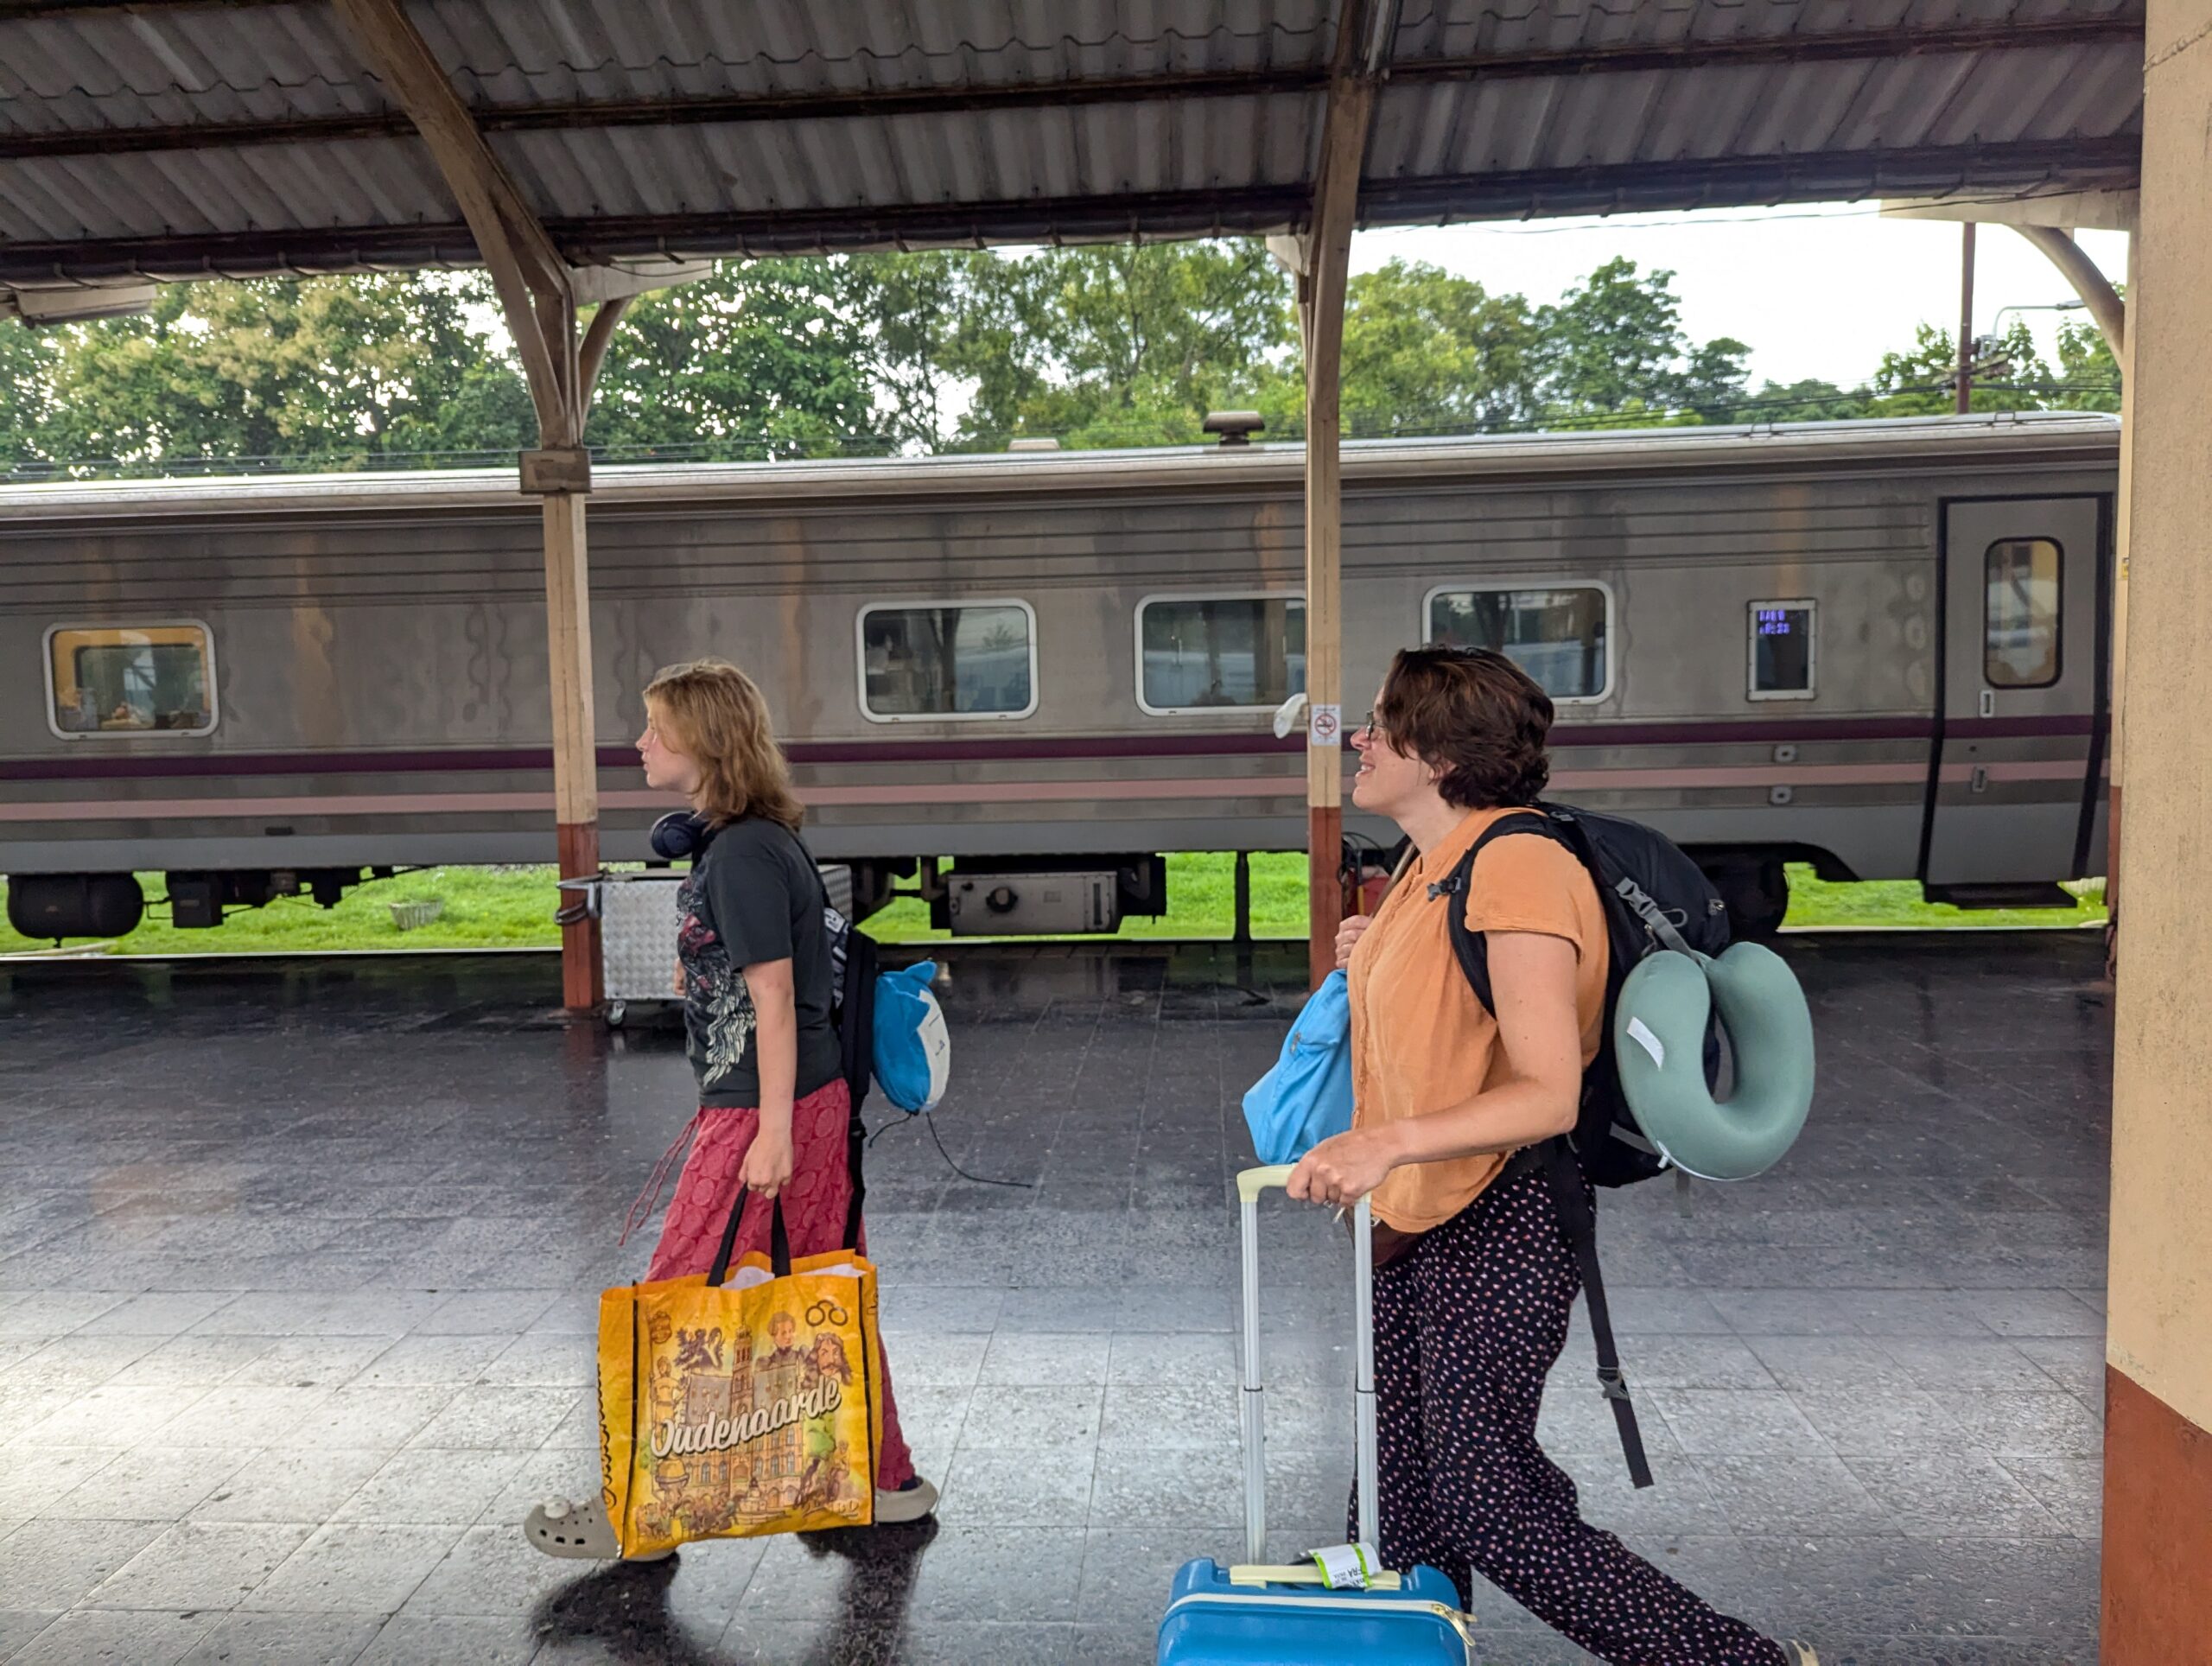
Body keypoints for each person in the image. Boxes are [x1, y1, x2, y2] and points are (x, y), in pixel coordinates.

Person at [1286, 645, 1815, 1666]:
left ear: (1442, 755)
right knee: (1398, 1507)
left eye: (1383, 723)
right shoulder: (1428, 859)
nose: (1359, 737)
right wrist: (1372, 954)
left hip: (1501, 1216)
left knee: (1492, 1505)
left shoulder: (1518, 864)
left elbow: (1544, 1091)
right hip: (1411, 1217)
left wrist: (1383, 1140)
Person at [524, 658, 934, 1561]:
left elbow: (777, 995)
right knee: (826, 1282)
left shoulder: (743, 852)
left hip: (762, 1109)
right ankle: (885, 1481)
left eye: (656, 728)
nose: (639, 743)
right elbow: (760, 972)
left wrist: (772, 1133)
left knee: (676, 1293)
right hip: (807, 1096)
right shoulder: (753, 840)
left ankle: (634, 1515)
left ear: (703, 741)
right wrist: (704, 969)